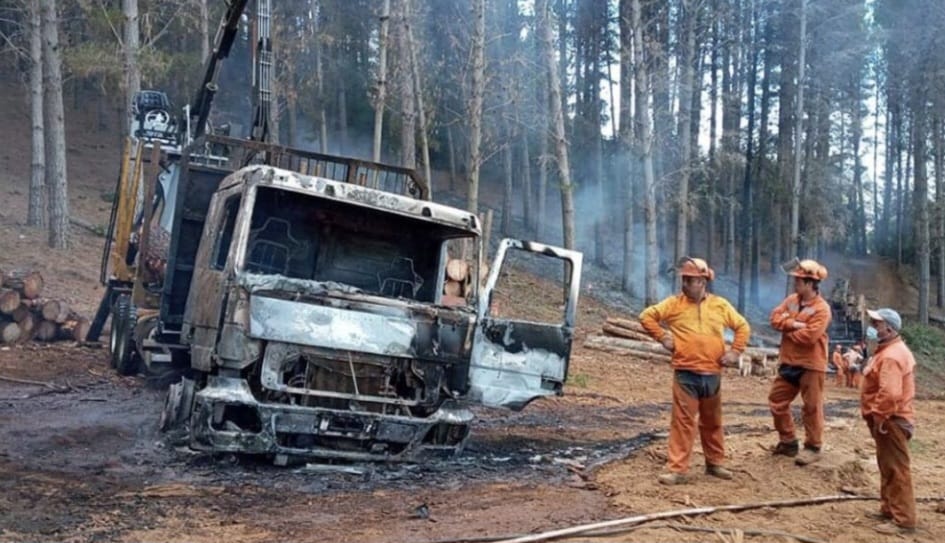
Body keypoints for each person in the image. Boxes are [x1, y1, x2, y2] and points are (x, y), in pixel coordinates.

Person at [640, 257, 751, 485]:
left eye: (689, 279)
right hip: (686, 372)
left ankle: (715, 463)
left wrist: (735, 351)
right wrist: (663, 337)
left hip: (712, 373)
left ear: (702, 281)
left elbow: (742, 326)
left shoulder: (720, 305)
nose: (685, 283)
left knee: (713, 421)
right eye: (684, 279)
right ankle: (677, 469)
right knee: (683, 422)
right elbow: (646, 317)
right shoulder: (674, 304)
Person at [768, 259, 832, 466]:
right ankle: (788, 442)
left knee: (812, 406)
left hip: (811, 364)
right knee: (777, 401)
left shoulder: (822, 309)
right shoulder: (791, 300)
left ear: (810, 283)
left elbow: (809, 337)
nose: (795, 283)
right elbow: (774, 319)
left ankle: (813, 446)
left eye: (798, 280)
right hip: (789, 361)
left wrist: (788, 327)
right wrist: (794, 324)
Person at [861, 308, 917, 535]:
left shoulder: (892, 356)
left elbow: (890, 393)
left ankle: (904, 520)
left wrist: (879, 416)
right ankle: (888, 508)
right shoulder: (889, 351)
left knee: (896, 469)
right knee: (887, 465)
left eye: (877, 324)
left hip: (891, 419)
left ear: (890, 329)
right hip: (889, 419)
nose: (873, 327)